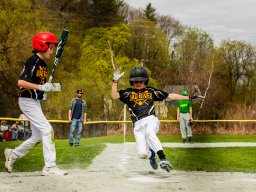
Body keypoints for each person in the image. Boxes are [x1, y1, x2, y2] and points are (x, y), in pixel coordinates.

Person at [111, 66, 202, 172]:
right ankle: (152, 155)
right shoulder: (128, 93)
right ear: (132, 82)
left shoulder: (151, 91)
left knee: (150, 132)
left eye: (141, 81)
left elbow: (170, 96)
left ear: (145, 81)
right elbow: (114, 96)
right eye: (135, 81)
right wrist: (115, 81)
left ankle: (163, 159)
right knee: (142, 154)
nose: (138, 83)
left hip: (150, 120)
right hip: (137, 125)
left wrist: (189, 97)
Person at [4, 32, 68, 176]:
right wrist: (40, 88)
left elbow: (39, 85)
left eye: (53, 48)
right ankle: (50, 166)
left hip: (34, 101)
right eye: (50, 48)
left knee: (39, 136)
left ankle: (12, 155)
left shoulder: (43, 64)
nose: (52, 51)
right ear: (41, 46)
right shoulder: (32, 61)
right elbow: (20, 82)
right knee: (47, 130)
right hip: (27, 101)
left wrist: (48, 88)